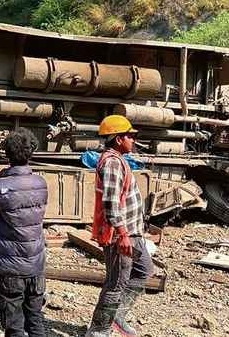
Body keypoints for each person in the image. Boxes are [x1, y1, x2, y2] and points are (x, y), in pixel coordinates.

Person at [86, 115, 153, 337]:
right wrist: (123, 234)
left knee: (144, 269)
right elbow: (111, 203)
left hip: (133, 232)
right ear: (117, 139)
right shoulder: (113, 163)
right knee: (116, 282)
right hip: (120, 234)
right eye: (130, 136)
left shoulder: (118, 160)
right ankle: (99, 330)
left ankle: (117, 316)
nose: (133, 140)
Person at [0, 128, 48, 337]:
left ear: (7, 154)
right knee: (35, 319)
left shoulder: (0, 185)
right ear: (31, 152)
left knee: (14, 326)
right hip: (36, 265)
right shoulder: (41, 183)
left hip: (10, 268)